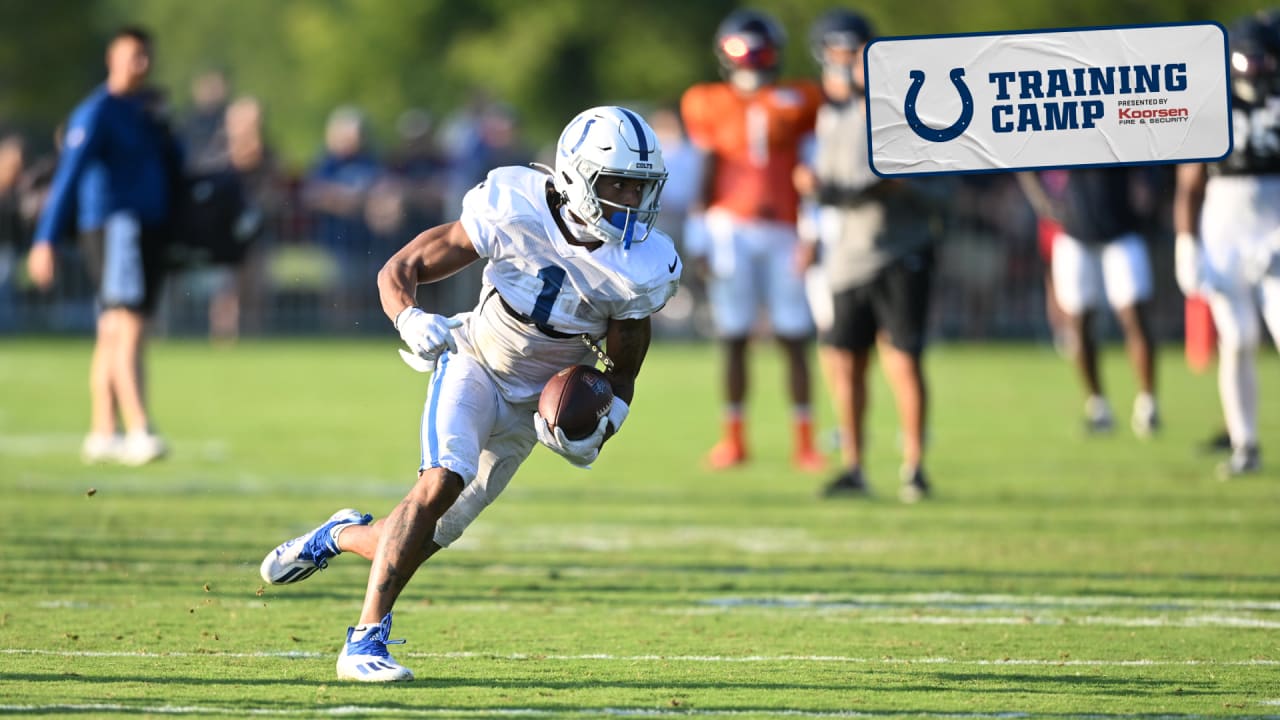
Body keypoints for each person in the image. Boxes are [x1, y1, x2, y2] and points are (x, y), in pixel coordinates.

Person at [258, 106, 680, 682]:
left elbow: (624, 368)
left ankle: (336, 535)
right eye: (618, 185)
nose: (631, 201)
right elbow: (404, 264)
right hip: (475, 360)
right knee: (441, 479)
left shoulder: (642, 266)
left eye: (641, 187)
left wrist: (606, 423)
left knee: (421, 536)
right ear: (577, 177)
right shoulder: (514, 204)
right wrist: (408, 318)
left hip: (536, 407)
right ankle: (364, 641)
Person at [795, 10, 942, 503]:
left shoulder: (905, 109)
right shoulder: (829, 115)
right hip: (849, 255)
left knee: (902, 359)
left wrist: (900, 184)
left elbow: (943, 189)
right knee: (844, 362)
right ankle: (855, 466)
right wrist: (813, 189)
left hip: (900, 249)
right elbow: (836, 190)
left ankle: (914, 467)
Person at [27, 26, 180, 465]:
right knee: (129, 324)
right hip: (117, 229)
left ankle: (102, 430)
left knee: (113, 328)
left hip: (143, 228)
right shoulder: (97, 111)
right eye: (133, 55)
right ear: (112, 58)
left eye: (146, 56)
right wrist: (45, 239)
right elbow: (67, 176)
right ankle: (139, 428)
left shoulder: (145, 110)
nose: (142, 64)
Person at [681, 9, 826, 471]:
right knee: (733, 336)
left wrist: (813, 231)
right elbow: (705, 174)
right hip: (730, 227)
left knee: (794, 336)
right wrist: (698, 237)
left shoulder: (802, 98)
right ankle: (734, 439)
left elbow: (811, 171)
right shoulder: (706, 101)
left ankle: (805, 441)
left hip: (784, 226)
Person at [1173, 13, 1280, 478]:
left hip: (1275, 229)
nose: (1255, 67)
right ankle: (1245, 444)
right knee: (1236, 340)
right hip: (1224, 232)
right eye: (1248, 57)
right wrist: (1186, 243)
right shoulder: (1212, 104)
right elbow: (1190, 183)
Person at [1020, 166, 1160, 438]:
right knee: (1079, 324)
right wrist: (1044, 204)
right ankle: (1097, 406)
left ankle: (1148, 402)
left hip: (1121, 227)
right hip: (1075, 232)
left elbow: (1154, 160)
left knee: (1133, 317)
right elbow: (1023, 163)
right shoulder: (1067, 128)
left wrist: (1149, 189)